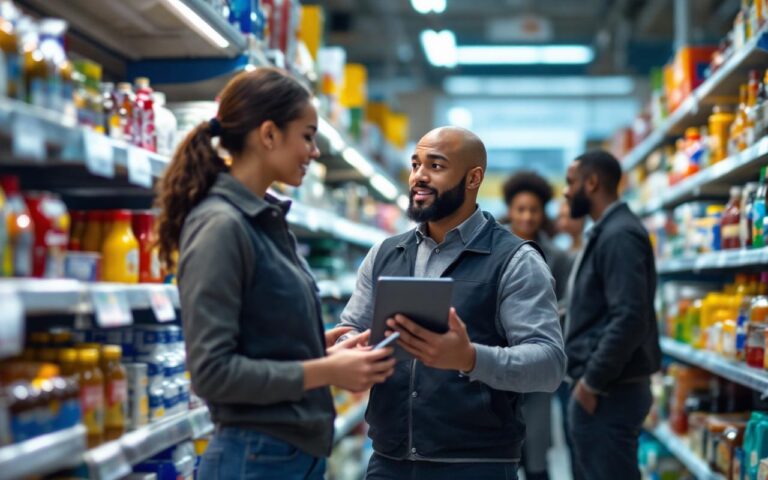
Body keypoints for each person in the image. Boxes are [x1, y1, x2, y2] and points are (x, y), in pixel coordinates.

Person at [155, 67, 396, 480]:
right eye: (307, 136)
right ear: (268, 135)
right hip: (255, 458)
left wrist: (316, 349)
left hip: (284, 456)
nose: (315, 151)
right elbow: (213, 374)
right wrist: (325, 371)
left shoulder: (263, 219)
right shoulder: (221, 225)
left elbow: (255, 339)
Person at [337, 126, 566, 480]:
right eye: (415, 165)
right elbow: (350, 327)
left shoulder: (516, 260)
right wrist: (347, 350)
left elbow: (549, 364)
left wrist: (470, 358)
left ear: (473, 178)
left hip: (474, 466)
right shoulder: (385, 253)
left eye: (436, 166)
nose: (419, 177)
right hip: (389, 461)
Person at [562, 150, 661, 480]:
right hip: (607, 390)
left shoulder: (619, 235)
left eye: (570, 182)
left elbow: (630, 317)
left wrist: (591, 383)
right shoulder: (608, 232)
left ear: (591, 183)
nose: (565, 191)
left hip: (609, 393)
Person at [501, 171, 574, 480]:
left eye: (534, 209)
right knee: (500, 447)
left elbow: (567, 305)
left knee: (536, 448)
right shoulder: (492, 250)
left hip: (538, 364)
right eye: (520, 209)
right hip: (498, 363)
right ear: (510, 210)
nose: (527, 216)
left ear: (543, 212)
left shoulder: (558, 257)